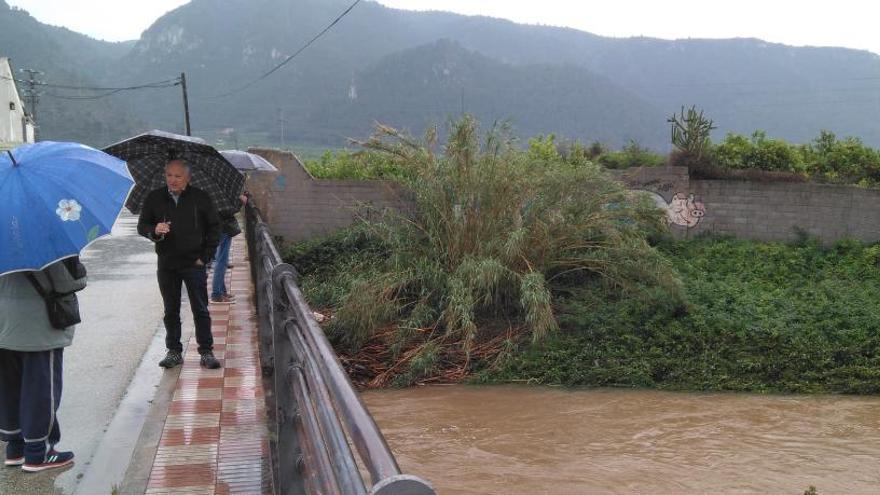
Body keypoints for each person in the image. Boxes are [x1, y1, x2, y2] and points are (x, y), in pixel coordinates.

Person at [0, 258, 87, 472]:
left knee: (10, 390)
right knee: (40, 392)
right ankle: (38, 453)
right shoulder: (45, 249)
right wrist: (77, 265)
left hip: (4, 327)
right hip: (38, 329)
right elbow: (71, 283)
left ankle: (15, 449)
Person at [137, 159, 222, 369]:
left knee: (200, 308)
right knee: (170, 309)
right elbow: (142, 226)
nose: (172, 180)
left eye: (177, 176)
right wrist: (154, 230)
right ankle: (174, 351)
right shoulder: (155, 197)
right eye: (169, 175)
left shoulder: (200, 198)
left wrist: (206, 256)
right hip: (167, 263)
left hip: (194, 263)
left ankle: (206, 351)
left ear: (187, 178)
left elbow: (214, 228)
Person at [211, 194, 248, 303]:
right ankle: (216, 294)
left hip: (219, 228)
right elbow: (226, 210)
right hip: (222, 229)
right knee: (221, 262)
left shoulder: (208, 191)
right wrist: (240, 201)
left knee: (221, 260)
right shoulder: (215, 193)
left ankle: (221, 292)